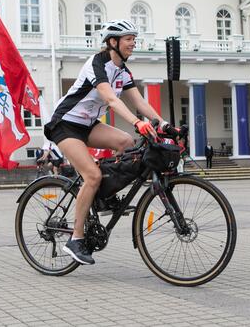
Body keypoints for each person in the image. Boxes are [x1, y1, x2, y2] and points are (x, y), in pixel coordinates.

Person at [44, 19, 164, 265]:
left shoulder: (122, 71)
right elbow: (110, 99)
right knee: (93, 176)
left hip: (88, 125)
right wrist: (137, 122)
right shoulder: (97, 64)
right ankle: (76, 239)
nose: (133, 43)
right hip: (65, 123)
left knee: (128, 143)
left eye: (133, 38)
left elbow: (139, 102)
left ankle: (103, 197)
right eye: (128, 39)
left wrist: (163, 124)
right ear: (113, 42)